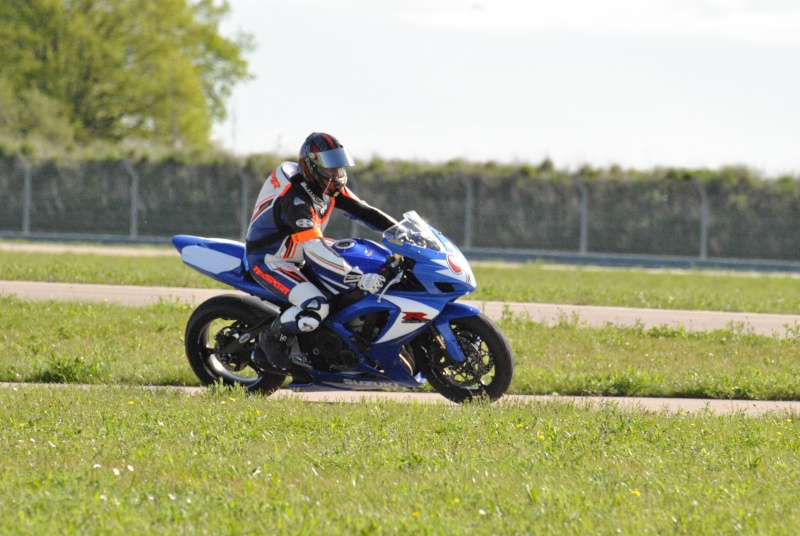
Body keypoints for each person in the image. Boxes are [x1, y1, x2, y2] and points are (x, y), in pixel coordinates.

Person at [245, 132, 398, 373]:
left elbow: (364, 212)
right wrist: (356, 277)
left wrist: (401, 232)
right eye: (330, 166)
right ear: (312, 165)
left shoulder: (328, 187)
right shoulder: (296, 199)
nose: (337, 172)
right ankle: (270, 338)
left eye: (339, 164)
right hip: (271, 259)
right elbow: (314, 248)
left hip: (301, 252)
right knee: (317, 306)